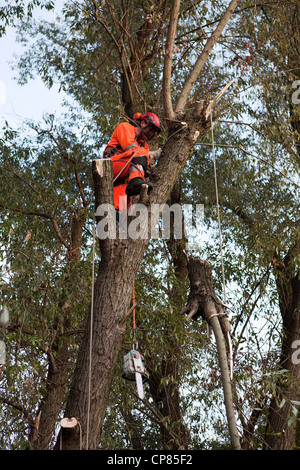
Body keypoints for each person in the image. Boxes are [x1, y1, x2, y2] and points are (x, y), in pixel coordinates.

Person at [103, 112, 161, 221]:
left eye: (153, 132)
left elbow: (143, 164)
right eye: (150, 129)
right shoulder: (125, 127)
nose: (150, 133)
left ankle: (117, 221)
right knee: (141, 153)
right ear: (143, 123)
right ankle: (135, 181)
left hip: (123, 177)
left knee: (120, 213)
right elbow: (130, 147)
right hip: (110, 165)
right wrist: (150, 154)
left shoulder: (144, 145)